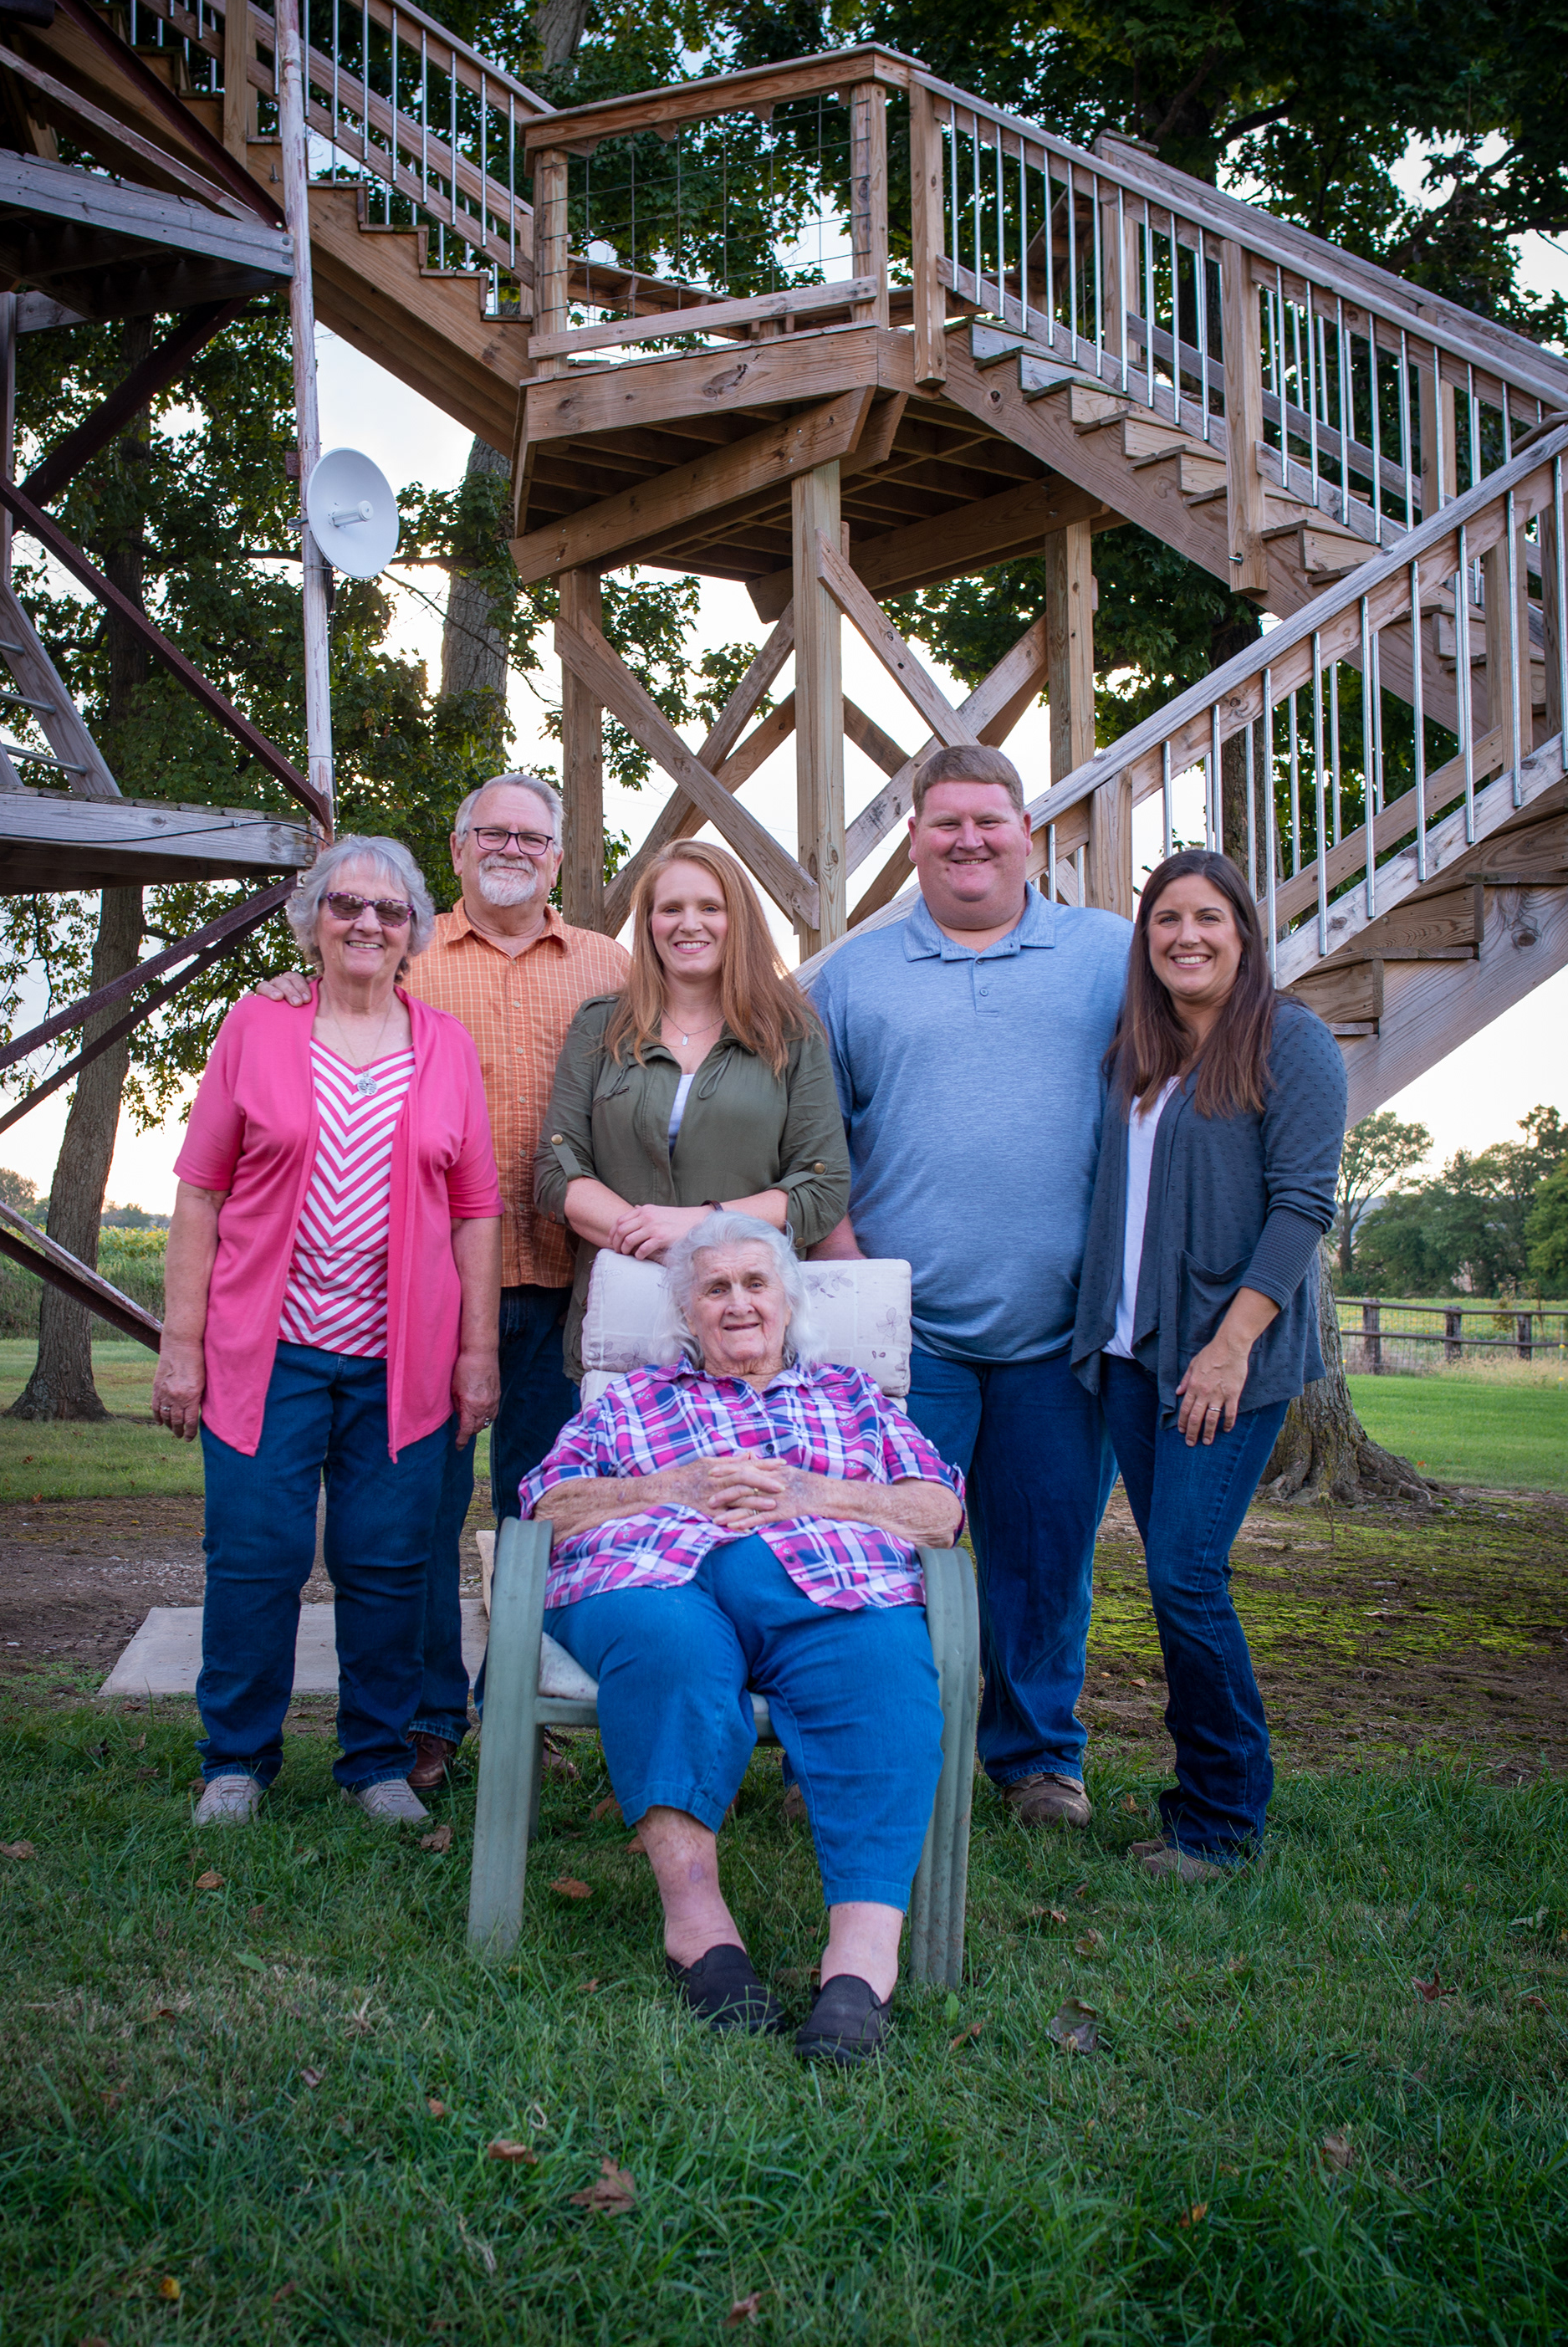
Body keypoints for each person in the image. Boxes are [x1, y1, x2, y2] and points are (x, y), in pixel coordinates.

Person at [257, 775, 630, 1794]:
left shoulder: (609, 965)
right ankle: (428, 1716)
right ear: (458, 851)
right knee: (416, 1515)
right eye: (491, 833)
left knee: (546, 1508)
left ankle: (522, 1707)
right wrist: (293, 986)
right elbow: (335, 998)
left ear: (559, 858)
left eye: (532, 837)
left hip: (567, 1284)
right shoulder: (408, 951)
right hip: (427, 1292)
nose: (512, 849)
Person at [523, 1211, 965, 2062]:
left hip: (828, 1578)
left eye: (756, 1284)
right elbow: (548, 1506)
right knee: (669, 1651)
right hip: (656, 1576)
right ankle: (699, 1930)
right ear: (686, 1312)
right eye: (715, 1288)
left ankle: (860, 1963)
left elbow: (939, 1510)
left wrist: (813, 1493)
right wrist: (672, 1486)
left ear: (788, 1302)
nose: (738, 1304)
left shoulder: (852, 1399)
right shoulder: (632, 1400)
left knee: (880, 1671)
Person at [807, 743, 1132, 1832]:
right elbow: (813, 1142)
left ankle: (1038, 1760)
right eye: (945, 822)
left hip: (1061, 1331)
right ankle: (881, 1743)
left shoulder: (1107, 956)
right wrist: (850, 1274)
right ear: (913, 839)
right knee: (887, 1552)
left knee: (1045, 1560)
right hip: (910, 1336)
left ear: (1025, 833)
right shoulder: (853, 976)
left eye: (989, 820)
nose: (968, 840)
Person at [152, 836, 502, 1828]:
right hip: (265, 1354)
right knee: (255, 1557)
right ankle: (236, 1763)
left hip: (402, 1361)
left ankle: (376, 1763)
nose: (367, 923)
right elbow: (199, 1193)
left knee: (388, 1563)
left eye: (389, 911)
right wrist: (181, 1346)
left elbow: (476, 1211)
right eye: (347, 904)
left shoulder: (444, 1046)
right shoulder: (257, 1026)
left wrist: (477, 1353)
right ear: (313, 920)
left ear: (414, 932)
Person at [1070, 849, 1346, 1875]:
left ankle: (1224, 1820)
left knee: (1187, 1576)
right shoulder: (1139, 1052)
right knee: (1172, 1576)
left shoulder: (1290, 1040)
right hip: (1132, 1357)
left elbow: (1302, 1205)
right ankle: (1201, 1801)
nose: (1186, 936)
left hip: (1222, 1364)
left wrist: (1232, 1348)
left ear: (1243, 933)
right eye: (1166, 920)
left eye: (1208, 918)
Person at [535, 840, 850, 1387]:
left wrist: (699, 1227)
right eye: (671, 908)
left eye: (710, 907)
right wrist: (652, 1238)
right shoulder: (600, 1026)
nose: (690, 924)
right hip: (622, 1312)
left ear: (738, 919)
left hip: (748, 1322)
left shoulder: (791, 1033)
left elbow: (820, 1188)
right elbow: (557, 1171)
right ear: (649, 923)